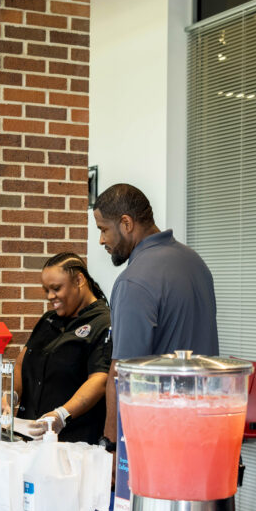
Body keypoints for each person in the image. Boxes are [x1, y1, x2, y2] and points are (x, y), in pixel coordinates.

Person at [92, 183, 219, 443]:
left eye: (104, 229)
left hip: (157, 436)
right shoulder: (196, 263)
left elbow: (122, 373)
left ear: (126, 223)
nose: (101, 240)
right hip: (205, 427)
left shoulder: (133, 281)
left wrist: (111, 445)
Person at [14, 253, 111, 443]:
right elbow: (20, 363)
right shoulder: (48, 320)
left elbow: (100, 380)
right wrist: (11, 396)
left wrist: (61, 415)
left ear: (79, 280)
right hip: (30, 439)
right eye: (46, 290)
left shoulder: (104, 322)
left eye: (56, 288)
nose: (50, 296)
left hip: (73, 442)